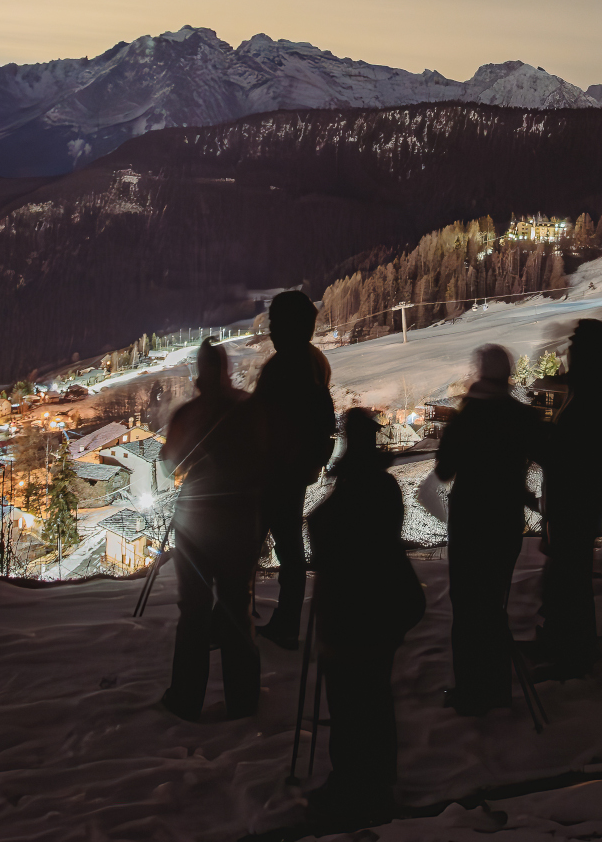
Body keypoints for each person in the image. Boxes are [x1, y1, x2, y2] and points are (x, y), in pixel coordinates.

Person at [304, 408, 426, 829]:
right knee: (373, 695)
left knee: (351, 699)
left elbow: (326, 537)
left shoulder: (351, 488)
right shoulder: (385, 485)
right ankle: (375, 781)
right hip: (385, 606)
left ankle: (354, 786)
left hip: (352, 610)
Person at [434, 343, 547, 715]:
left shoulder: (467, 417)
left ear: (480, 372)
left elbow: (445, 469)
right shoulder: (521, 416)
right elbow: (552, 454)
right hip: (505, 522)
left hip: (470, 523)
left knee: (467, 606)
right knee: (494, 603)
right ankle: (496, 687)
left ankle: (471, 689)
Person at [157, 340, 266, 722]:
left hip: (196, 521)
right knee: (237, 606)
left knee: (194, 611)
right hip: (240, 518)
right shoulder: (249, 408)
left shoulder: (189, 413)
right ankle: (243, 700)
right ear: (227, 369)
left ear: (198, 373)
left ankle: (186, 699)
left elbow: (170, 466)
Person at [534, 318, 602, 680]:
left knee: (571, 578)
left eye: (575, 348)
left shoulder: (593, 396)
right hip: (579, 499)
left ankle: (573, 655)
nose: (568, 353)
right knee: (567, 576)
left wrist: (540, 441)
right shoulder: (597, 389)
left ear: (587, 354)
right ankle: (566, 646)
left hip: (577, 500)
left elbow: (575, 453)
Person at [252, 290, 337, 648]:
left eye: (275, 322)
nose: (270, 329)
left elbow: (260, 420)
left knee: (256, 546)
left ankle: (235, 616)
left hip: (273, 471)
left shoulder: (283, 366)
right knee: (288, 548)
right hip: (294, 469)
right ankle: (284, 622)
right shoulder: (314, 360)